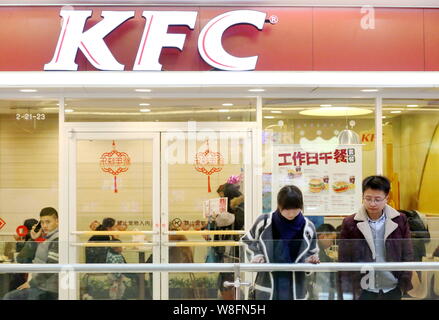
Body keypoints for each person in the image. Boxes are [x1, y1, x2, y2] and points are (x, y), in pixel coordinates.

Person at [338, 175, 414, 300]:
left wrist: (403, 284)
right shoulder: (350, 223)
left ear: (387, 198)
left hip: (393, 286)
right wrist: (348, 290)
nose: (372, 204)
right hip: (363, 288)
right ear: (362, 197)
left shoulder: (400, 220)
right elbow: (344, 259)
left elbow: (408, 254)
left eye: (377, 199)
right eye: (368, 199)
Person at [242, 185, 319, 300]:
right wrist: (256, 255)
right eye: (287, 209)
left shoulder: (308, 227)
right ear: (279, 205)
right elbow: (247, 241)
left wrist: (310, 261)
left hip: (296, 286)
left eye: (296, 208)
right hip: (267, 284)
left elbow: (313, 252)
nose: (291, 213)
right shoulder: (264, 222)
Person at [3, 207, 59, 300]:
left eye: (48, 222)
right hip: (40, 285)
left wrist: (30, 283)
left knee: (9, 297)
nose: (44, 225)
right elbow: (24, 257)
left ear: (57, 221)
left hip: (47, 289)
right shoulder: (46, 238)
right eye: (42, 222)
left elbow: (51, 267)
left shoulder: (57, 239)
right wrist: (34, 238)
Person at [309, 224, 337, 300]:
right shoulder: (315, 249)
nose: (332, 244)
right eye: (331, 240)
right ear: (322, 237)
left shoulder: (317, 247)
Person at [9, 219, 39, 290]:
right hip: (30, 271)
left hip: (28, 273)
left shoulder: (31, 241)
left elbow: (20, 258)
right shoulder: (35, 240)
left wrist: (19, 241)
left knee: (14, 276)